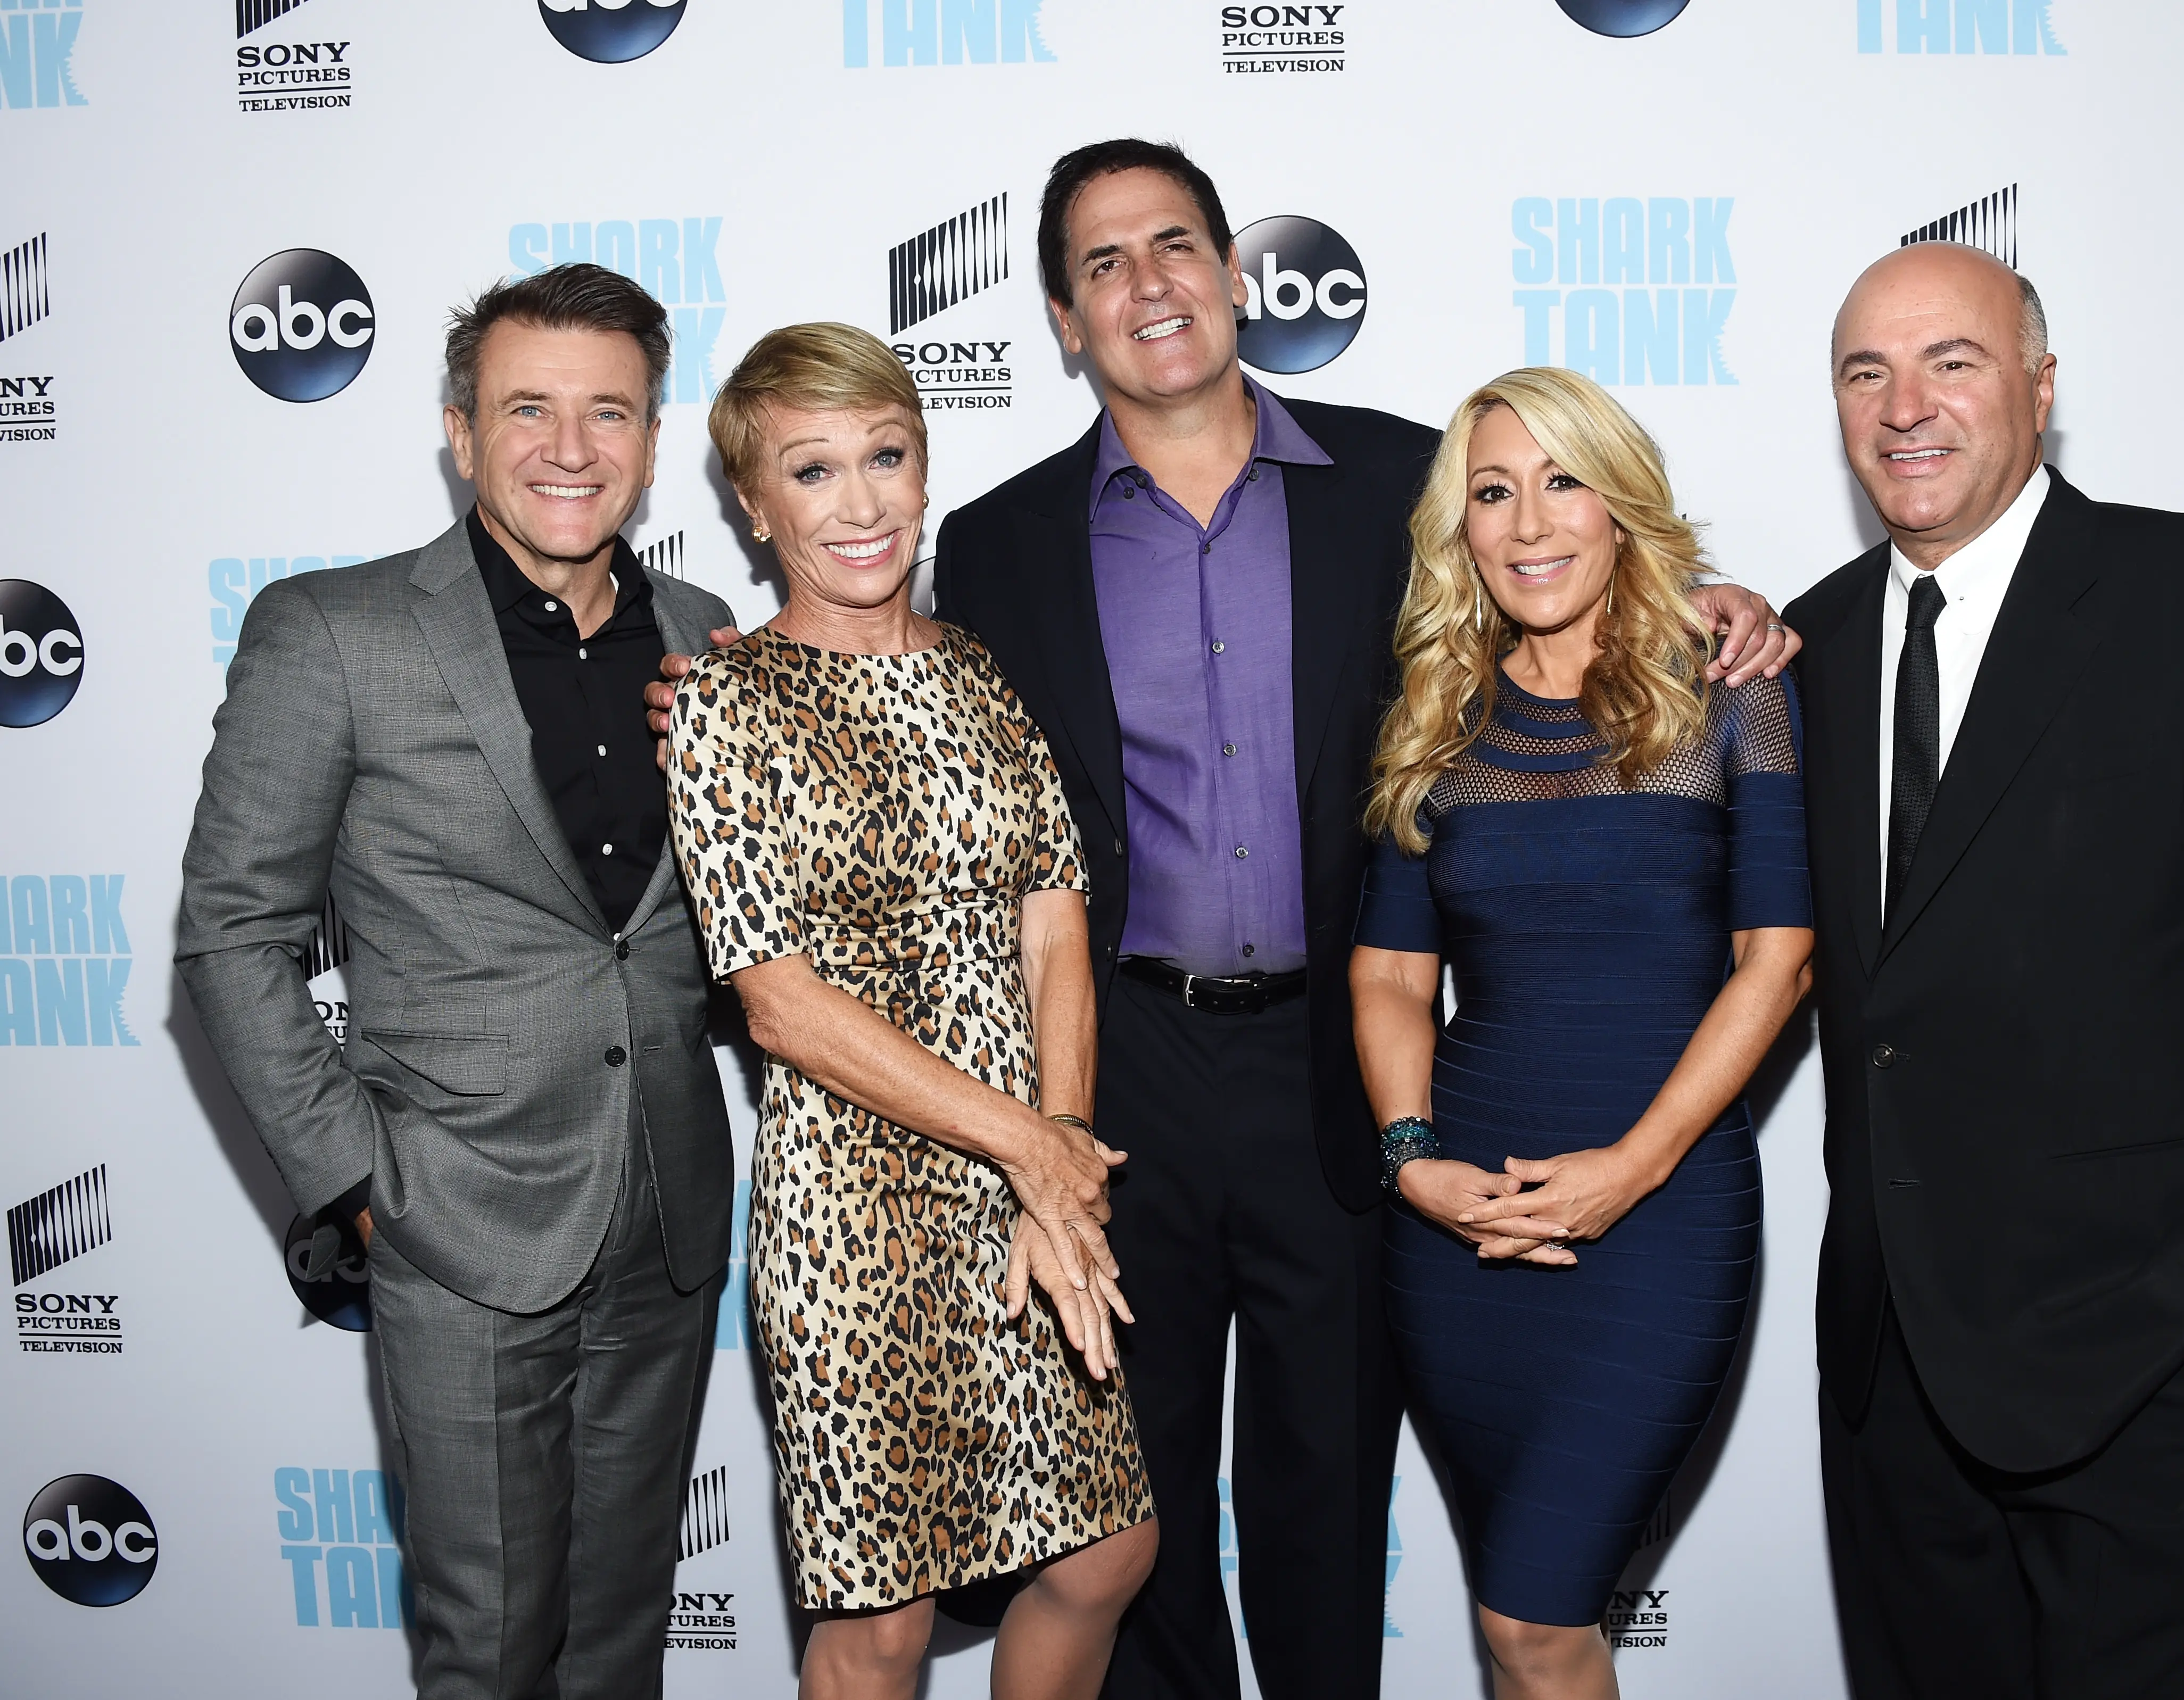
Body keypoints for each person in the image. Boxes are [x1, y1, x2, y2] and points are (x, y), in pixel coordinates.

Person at [651, 138, 1796, 1700]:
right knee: (1135, 1519)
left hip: (1344, 1060)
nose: (1149, 283)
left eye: (1176, 242)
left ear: (1237, 271)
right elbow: (870, 684)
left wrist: (1719, 603)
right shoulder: (995, 541)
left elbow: (1568, 571)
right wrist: (702, 683)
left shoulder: (1408, 485)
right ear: (1063, 318)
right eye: (1104, 263)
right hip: (1114, 1077)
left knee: (1330, 1491)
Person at [1783, 241, 2184, 1699]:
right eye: (1866, 372)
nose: (1905, 407)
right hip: (1893, 1377)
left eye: (1955, 362)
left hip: (2155, 1358)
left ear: (2043, 387)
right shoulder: (1805, 646)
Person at [176, 263, 738, 1700]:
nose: (570, 447)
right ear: (458, 430)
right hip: (459, 1223)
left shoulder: (703, 627)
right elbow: (233, 937)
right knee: (488, 1652)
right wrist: (364, 1181)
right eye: (527, 409)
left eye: (608, 411)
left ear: (652, 439)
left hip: (666, 1213)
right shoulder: (337, 632)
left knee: (619, 1647)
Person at [664, 322, 1156, 1700]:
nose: (863, 501)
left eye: (887, 457)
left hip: (1026, 1196)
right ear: (757, 509)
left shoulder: (981, 672)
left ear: (926, 471)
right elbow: (779, 1005)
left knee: (1107, 1547)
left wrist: (1060, 1155)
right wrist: (1028, 1143)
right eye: (815, 471)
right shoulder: (726, 701)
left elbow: (1053, 917)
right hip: (855, 1219)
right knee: (885, 1618)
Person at [1349, 368, 1816, 1700]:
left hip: (1663, 1213)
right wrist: (1412, 1156)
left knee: (1532, 1620)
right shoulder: (1436, 719)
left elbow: (1777, 964)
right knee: (1520, 1615)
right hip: (1462, 1219)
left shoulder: (1731, 689)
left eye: (1564, 481)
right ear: (1461, 529)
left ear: (1623, 509)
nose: (1529, 520)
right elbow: (1388, 978)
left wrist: (1634, 1165)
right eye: (1492, 491)